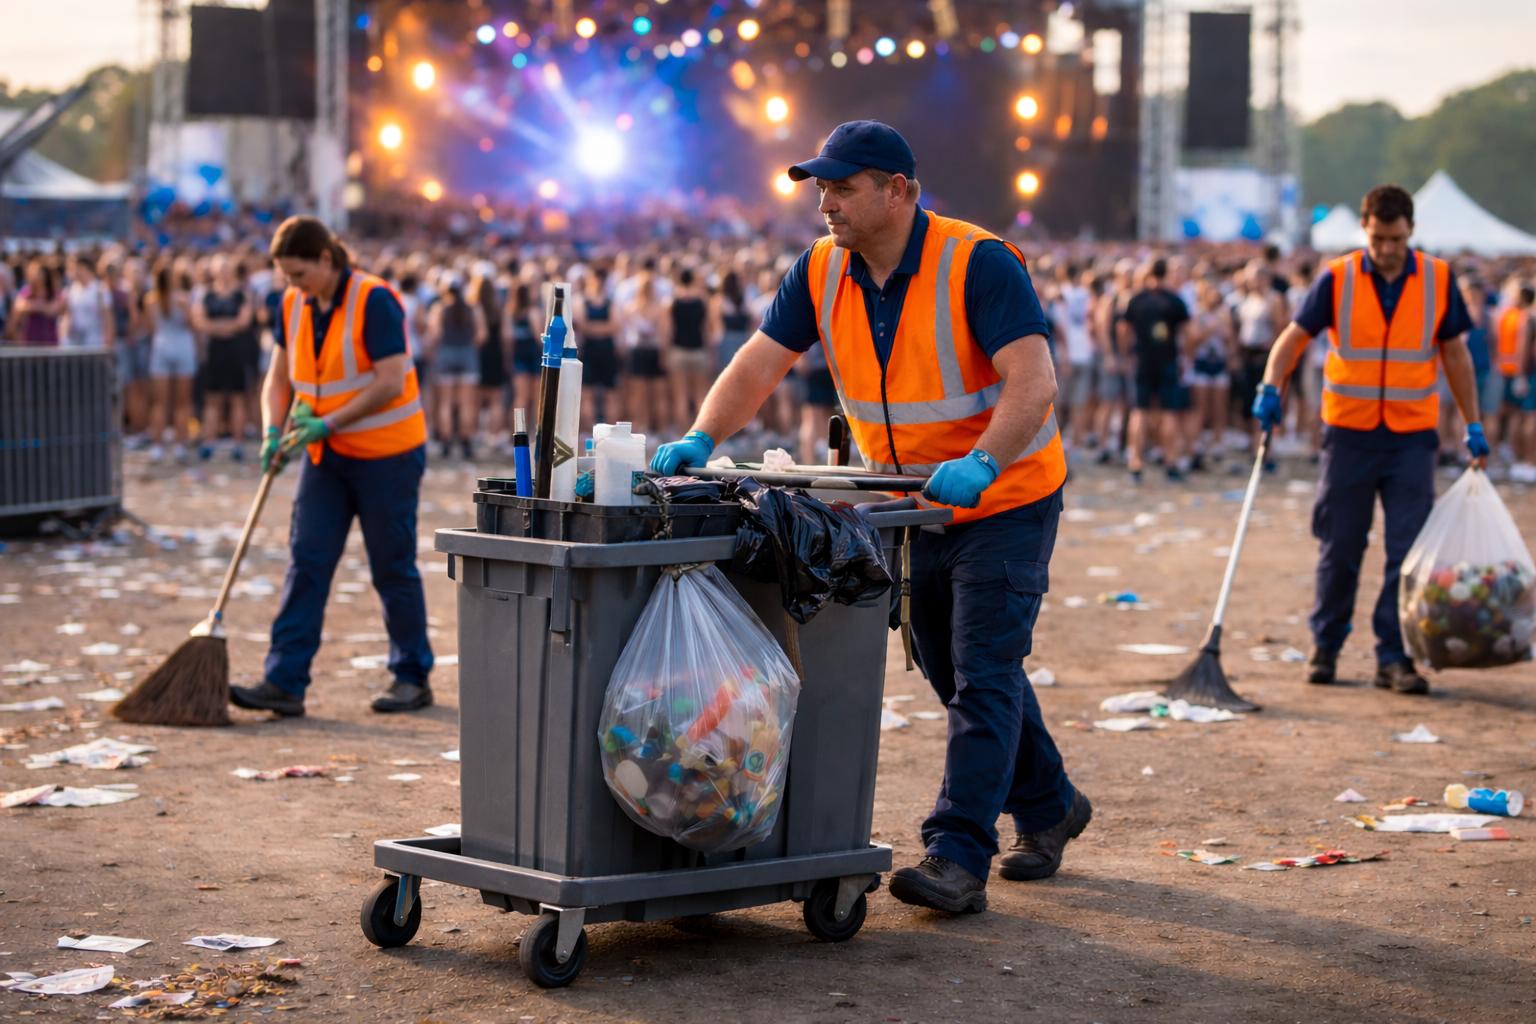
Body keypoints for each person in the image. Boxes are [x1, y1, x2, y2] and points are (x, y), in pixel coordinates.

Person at [650, 121, 1089, 914]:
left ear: (900, 191)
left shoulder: (978, 261)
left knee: (983, 670)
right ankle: (1052, 803)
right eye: (821, 189)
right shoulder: (822, 269)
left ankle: (957, 853)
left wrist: (985, 461)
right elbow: (760, 361)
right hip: (913, 508)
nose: (826, 205)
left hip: (1008, 499)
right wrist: (701, 435)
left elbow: (1034, 383)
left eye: (843, 188)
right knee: (952, 670)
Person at [1252, 185, 1484, 696]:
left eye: (1395, 239)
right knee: (1340, 547)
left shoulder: (1437, 280)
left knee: (1408, 554)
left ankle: (1394, 657)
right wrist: (1271, 387)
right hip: (1349, 435)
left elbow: (1457, 357)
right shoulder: (1338, 278)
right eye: (1378, 238)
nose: (1385, 249)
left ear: (1411, 231)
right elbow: (1292, 340)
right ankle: (1326, 646)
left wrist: (1472, 423)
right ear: (1365, 229)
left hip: (1411, 438)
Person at [231, 216, 433, 717]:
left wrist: (329, 422)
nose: (290, 284)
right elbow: (278, 379)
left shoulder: (374, 300)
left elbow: (390, 380)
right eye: (284, 275)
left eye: (298, 273)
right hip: (327, 457)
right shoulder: (292, 304)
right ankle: (284, 680)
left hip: (387, 455)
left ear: (326, 258)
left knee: (392, 566)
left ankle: (411, 676)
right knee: (307, 559)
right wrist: (272, 431)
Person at [1120, 259, 1192, 482]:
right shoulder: (1174, 300)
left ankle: (1136, 462)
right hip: (1167, 360)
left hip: (1142, 360)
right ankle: (1170, 462)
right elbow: (1189, 332)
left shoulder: (1137, 299)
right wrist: (1186, 357)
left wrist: (1127, 354)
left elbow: (1122, 330)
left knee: (1139, 411)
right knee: (1169, 412)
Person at [192, 255, 254, 460]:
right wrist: (226, 326)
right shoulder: (207, 295)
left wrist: (216, 326)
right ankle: (209, 441)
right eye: (220, 268)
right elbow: (199, 321)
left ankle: (237, 443)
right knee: (213, 398)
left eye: (227, 268)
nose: (224, 272)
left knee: (237, 398)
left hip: (235, 351)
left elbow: (243, 321)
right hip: (214, 352)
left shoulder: (240, 295)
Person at [145, 261, 199, 463]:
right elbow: (192, 325)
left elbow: (151, 328)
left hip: (161, 347)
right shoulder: (182, 299)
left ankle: (157, 445)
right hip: (182, 347)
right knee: (182, 403)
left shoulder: (151, 300)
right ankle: (180, 445)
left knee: (159, 403)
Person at [427, 277, 486, 457]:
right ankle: (466, 441)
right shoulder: (473, 308)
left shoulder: (439, 308)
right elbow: (482, 335)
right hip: (467, 354)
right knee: (466, 402)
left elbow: (434, 334)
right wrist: (468, 344)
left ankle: (446, 442)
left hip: (446, 353)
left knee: (445, 401)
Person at [667, 266, 718, 432]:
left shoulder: (673, 301)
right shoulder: (702, 301)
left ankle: (682, 433)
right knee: (700, 396)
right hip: (698, 351)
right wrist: (711, 353)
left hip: (678, 350)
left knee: (680, 396)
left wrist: (665, 351)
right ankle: (698, 433)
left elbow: (669, 329)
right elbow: (708, 329)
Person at [574, 266, 620, 428]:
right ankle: (601, 433)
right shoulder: (588, 301)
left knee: (602, 395)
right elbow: (583, 326)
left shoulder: (584, 301)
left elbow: (613, 326)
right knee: (594, 395)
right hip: (599, 349)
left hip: (595, 350)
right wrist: (604, 328)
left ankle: (594, 433)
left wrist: (592, 328)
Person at [61, 254, 114, 349]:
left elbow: (108, 318)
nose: (70, 272)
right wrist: (64, 339)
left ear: (83, 268)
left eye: (73, 268)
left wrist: (108, 344)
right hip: (75, 344)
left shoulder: (100, 289)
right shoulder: (71, 290)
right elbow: (68, 316)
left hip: (96, 344)